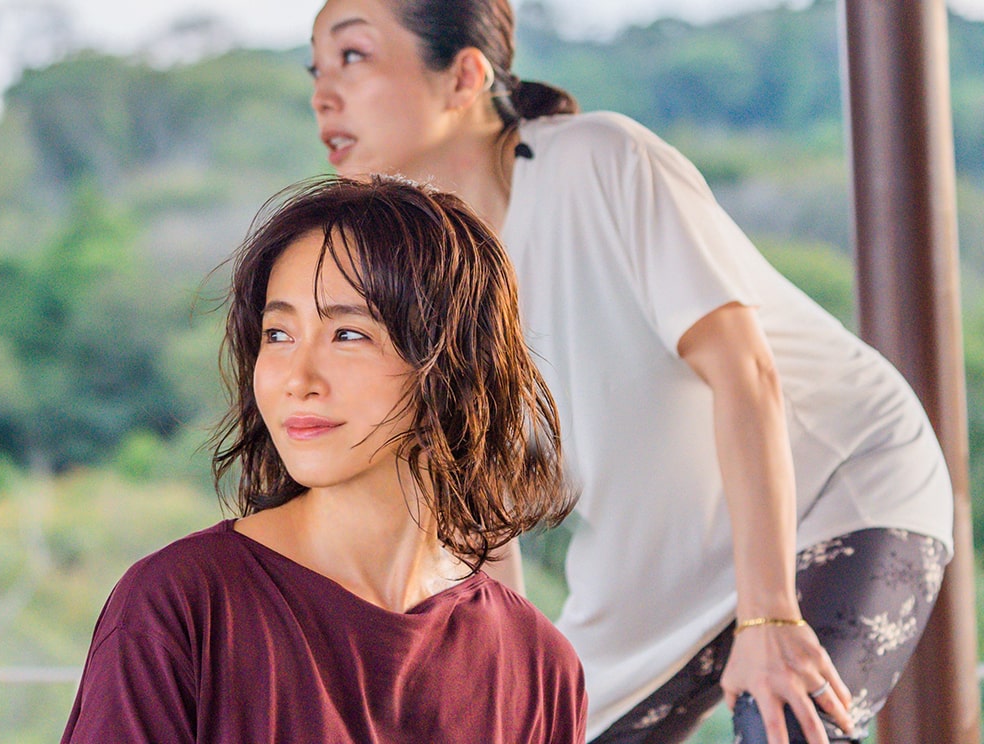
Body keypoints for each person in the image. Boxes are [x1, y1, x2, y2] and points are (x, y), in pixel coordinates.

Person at [306, 2, 954, 743]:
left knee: (782, 725)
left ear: (464, 76)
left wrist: (769, 615)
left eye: (352, 56)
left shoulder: (600, 160)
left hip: (837, 488)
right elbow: (484, 524)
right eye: (314, 68)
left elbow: (747, 374)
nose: (323, 93)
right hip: (658, 572)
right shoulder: (423, 286)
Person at [60, 176, 588, 743]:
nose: (298, 378)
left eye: (348, 335)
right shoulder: (181, 606)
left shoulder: (539, 666)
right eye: (278, 334)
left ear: (456, 360)